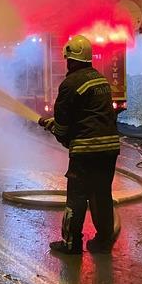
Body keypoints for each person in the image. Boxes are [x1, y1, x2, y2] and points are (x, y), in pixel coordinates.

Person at [38, 35, 120, 255]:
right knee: (101, 194)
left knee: (77, 196)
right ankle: (103, 241)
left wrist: (58, 132)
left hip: (85, 151)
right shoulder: (100, 80)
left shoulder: (70, 83)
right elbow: (90, 114)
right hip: (110, 148)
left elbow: (63, 123)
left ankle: (71, 244)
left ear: (71, 60)